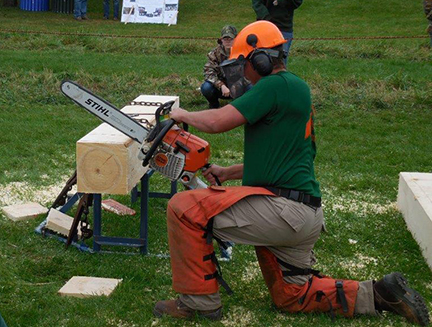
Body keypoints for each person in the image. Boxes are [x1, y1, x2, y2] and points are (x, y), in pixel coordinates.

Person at [153, 21, 430, 326]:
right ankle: (379, 294)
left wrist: (181, 114)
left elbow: (219, 120)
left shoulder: (273, 86)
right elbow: (285, 159)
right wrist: (228, 172)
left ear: (259, 60)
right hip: (303, 212)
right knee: (292, 294)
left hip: (283, 210)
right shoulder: (295, 89)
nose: (241, 74)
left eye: (243, 65)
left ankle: (197, 303)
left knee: (184, 209)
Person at [252, 0, 302, 64]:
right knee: (263, 61)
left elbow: (297, 2)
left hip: (284, 28)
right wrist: (267, 18)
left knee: (280, 62)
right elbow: (257, 4)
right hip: (264, 27)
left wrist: (281, 2)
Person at [200, 25, 238, 109]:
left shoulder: (242, 52)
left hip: (238, 86)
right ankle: (214, 106)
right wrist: (221, 85)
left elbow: (248, 73)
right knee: (206, 87)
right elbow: (208, 72)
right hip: (221, 87)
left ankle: (241, 107)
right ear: (221, 40)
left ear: (236, 39)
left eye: (230, 39)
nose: (228, 41)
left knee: (251, 87)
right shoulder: (214, 53)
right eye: (225, 39)